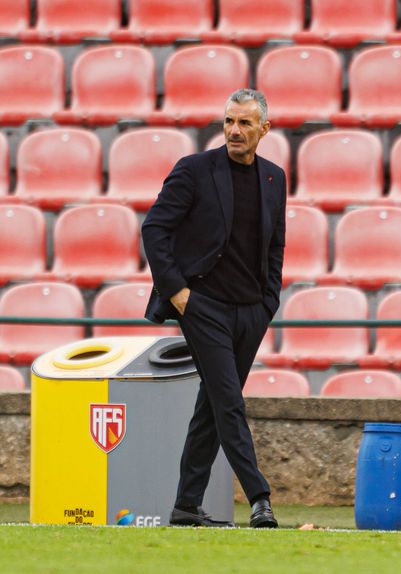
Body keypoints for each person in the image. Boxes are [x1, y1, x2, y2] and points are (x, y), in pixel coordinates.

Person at [142, 89, 286, 528]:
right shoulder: (194, 170)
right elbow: (154, 229)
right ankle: (259, 497)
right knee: (228, 402)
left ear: (264, 128)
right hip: (203, 307)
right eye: (228, 121)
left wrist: (268, 302)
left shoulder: (274, 178)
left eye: (244, 123)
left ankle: (186, 505)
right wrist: (180, 294)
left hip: (250, 311)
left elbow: (275, 244)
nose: (234, 131)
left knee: (212, 406)